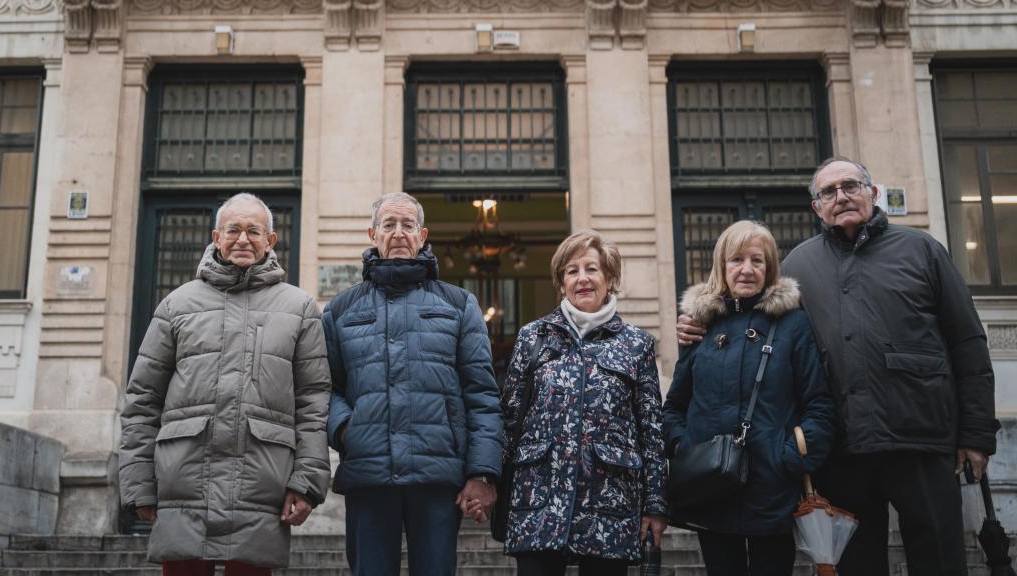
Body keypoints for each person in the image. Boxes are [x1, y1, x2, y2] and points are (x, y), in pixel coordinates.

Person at [677, 157, 999, 576]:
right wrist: (698, 323)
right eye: (828, 192)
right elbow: (752, 325)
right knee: (856, 566)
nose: (841, 197)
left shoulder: (922, 250)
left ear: (873, 193)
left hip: (921, 440)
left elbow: (967, 341)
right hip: (845, 455)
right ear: (817, 207)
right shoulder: (799, 265)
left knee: (939, 561)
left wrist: (976, 433)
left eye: (850, 186)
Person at [119, 193, 332, 576]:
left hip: (261, 484)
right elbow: (142, 400)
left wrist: (307, 482)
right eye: (233, 230)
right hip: (183, 480)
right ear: (216, 237)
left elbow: (313, 402)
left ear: (271, 241)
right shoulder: (176, 305)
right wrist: (138, 481)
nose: (243, 239)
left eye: (254, 231)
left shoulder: (299, 309)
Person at [322, 192, 503, 576]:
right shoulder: (340, 309)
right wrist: (347, 429)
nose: (399, 233)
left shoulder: (459, 304)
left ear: (422, 236)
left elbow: (483, 395)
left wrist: (482, 472)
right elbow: (326, 388)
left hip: (438, 475)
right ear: (373, 234)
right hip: (368, 472)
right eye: (389, 224)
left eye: (408, 225)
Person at [663, 220, 835, 576]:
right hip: (711, 487)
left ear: (769, 269)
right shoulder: (701, 325)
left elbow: (818, 404)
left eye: (757, 260)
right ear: (722, 266)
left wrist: (789, 459)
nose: (747, 269)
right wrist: (684, 446)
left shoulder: (793, 324)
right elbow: (675, 406)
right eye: (737, 260)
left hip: (773, 488)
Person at [500, 230, 667, 576]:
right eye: (572, 271)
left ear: (610, 278)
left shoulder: (636, 344)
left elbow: (651, 430)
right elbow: (509, 419)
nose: (582, 279)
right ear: (562, 282)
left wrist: (655, 503)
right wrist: (489, 483)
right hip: (539, 502)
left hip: (610, 505)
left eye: (592, 269)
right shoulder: (533, 337)